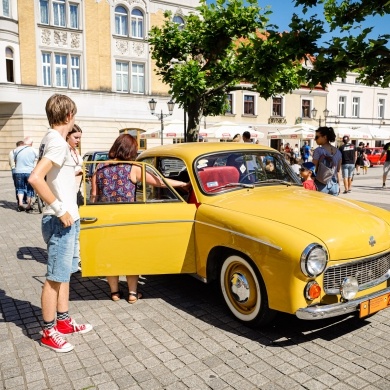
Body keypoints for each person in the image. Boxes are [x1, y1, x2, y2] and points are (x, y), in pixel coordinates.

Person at [91, 134, 190, 303]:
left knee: (110, 254)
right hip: (129, 218)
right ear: (131, 150)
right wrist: (181, 184)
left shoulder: (99, 167)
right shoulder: (133, 168)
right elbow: (159, 182)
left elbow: (94, 196)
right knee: (131, 255)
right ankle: (132, 293)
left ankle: (114, 293)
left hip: (107, 218)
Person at [28, 94, 93, 353]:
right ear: (69, 116)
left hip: (67, 218)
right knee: (55, 277)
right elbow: (35, 178)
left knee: (64, 274)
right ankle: (48, 330)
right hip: (60, 219)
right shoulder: (56, 141)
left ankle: (63, 322)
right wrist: (59, 209)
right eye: (74, 115)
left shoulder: (51, 139)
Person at [66, 124, 83, 272]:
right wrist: (77, 172)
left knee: (78, 230)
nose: (78, 140)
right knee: (72, 232)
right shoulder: (64, 151)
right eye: (75, 137)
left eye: (79, 138)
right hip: (69, 195)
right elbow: (61, 176)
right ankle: (72, 262)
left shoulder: (75, 151)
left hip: (77, 192)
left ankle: (75, 260)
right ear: (67, 136)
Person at [312, 126, 342, 196]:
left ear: (325, 137)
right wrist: (338, 185)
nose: (315, 139)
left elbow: (313, 168)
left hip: (321, 184)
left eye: (317, 137)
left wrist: (311, 182)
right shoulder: (338, 152)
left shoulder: (318, 151)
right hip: (334, 185)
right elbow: (338, 171)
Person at [14, 136, 38, 212]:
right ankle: (28, 206)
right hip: (29, 171)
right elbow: (38, 159)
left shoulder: (16, 150)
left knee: (20, 188)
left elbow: (15, 160)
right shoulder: (34, 150)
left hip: (18, 171)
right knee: (30, 189)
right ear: (31, 143)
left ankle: (20, 204)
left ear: (24, 142)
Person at [8, 140, 24, 206]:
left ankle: (19, 200)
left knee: (17, 186)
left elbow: (10, 162)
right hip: (19, 169)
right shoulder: (21, 152)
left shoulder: (11, 152)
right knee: (23, 185)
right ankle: (24, 200)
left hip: (13, 169)